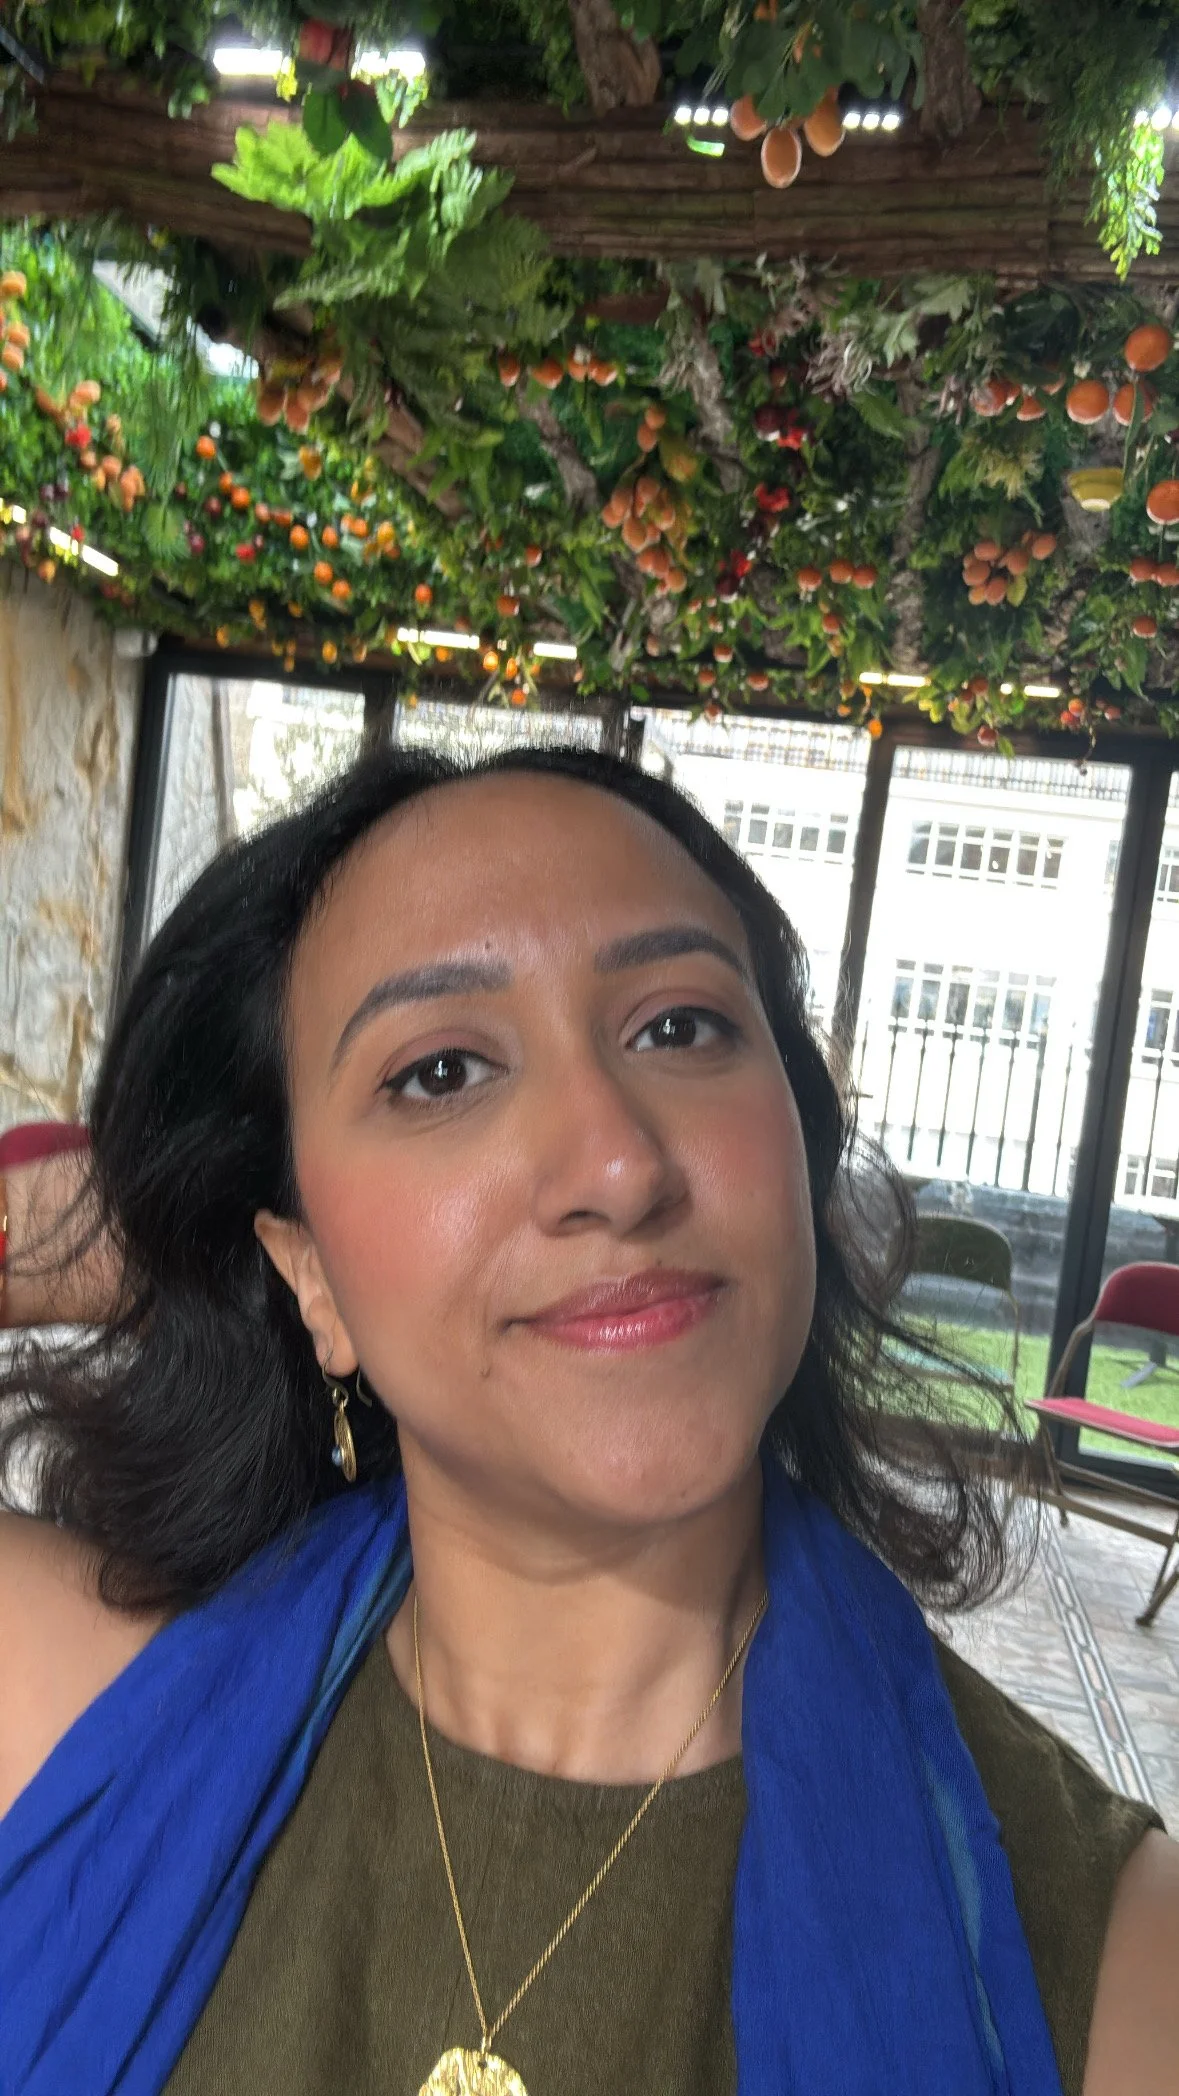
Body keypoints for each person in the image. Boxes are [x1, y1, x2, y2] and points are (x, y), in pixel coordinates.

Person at [1, 740, 1176, 2096]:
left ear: (795, 1156)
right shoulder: (68, 1709)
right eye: (439, 1071)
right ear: (307, 1268)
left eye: (678, 1027)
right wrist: (117, 1235)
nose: (616, 1163)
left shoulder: (1111, 1970)